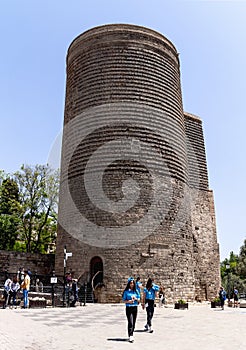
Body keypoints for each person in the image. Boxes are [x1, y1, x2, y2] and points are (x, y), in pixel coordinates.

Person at [122, 277, 140, 343]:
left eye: (133, 283)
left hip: (135, 307)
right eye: (130, 283)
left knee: (134, 322)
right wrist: (129, 301)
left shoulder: (136, 291)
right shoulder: (126, 292)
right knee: (130, 322)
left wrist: (136, 299)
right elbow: (123, 300)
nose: (132, 284)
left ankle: (131, 332)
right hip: (129, 307)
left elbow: (139, 300)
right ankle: (130, 335)